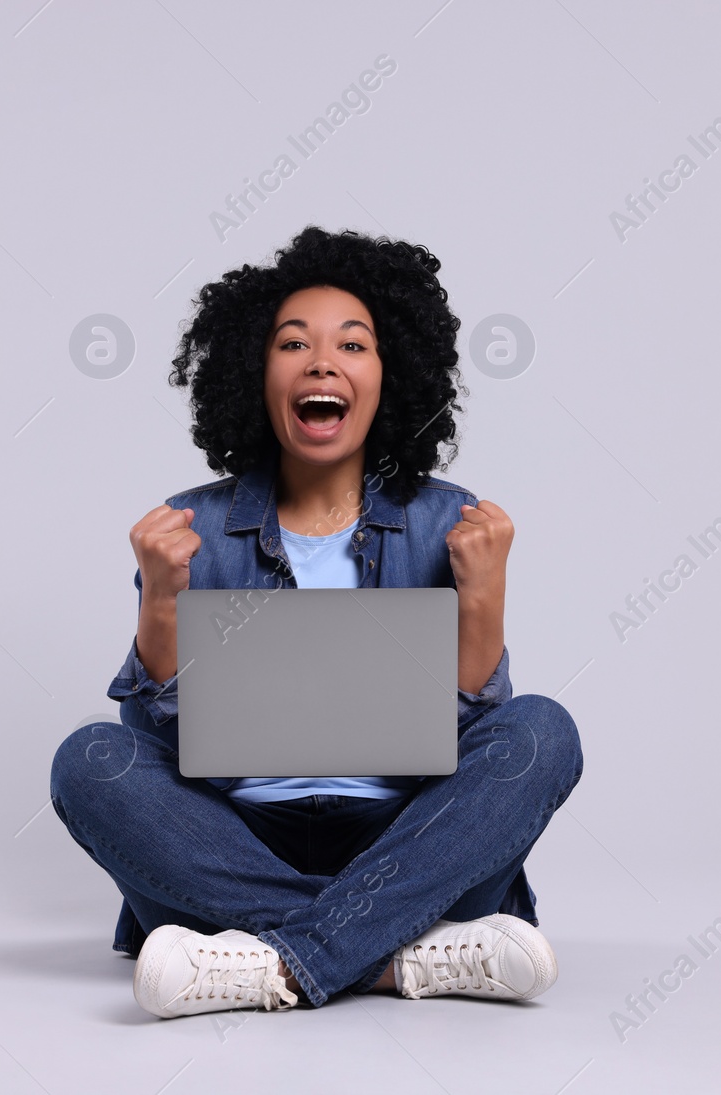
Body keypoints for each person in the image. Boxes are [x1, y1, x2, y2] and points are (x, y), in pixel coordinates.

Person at [49, 227, 584, 1018]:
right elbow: (158, 743)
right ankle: (403, 951)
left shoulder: (450, 523)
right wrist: (161, 597)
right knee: (89, 759)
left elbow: (472, 730)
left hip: (405, 831)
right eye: (293, 342)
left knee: (543, 731)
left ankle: (266, 957)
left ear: (389, 372)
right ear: (255, 374)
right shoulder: (189, 527)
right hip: (237, 837)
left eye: (353, 344)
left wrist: (484, 599)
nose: (321, 361)